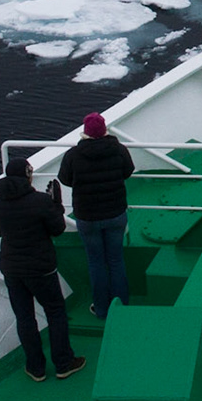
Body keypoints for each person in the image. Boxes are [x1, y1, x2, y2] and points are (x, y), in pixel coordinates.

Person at [0, 157, 85, 382]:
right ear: (27, 175)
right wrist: (56, 206)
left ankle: (35, 367)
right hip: (40, 268)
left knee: (24, 317)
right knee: (55, 312)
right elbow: (57, 229)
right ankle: (63, 363)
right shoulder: (40, 201)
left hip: (12, 270)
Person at [56, 113, 133, 320]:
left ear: (86, 132)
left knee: (96, 262)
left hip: (88, 217)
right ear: (104, 130)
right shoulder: (118, 149)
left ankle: (101, 309)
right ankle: (121, 306)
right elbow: (128, 171)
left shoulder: (73, 155)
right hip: (115, 214)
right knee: (116, 260)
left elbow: (65, 179)